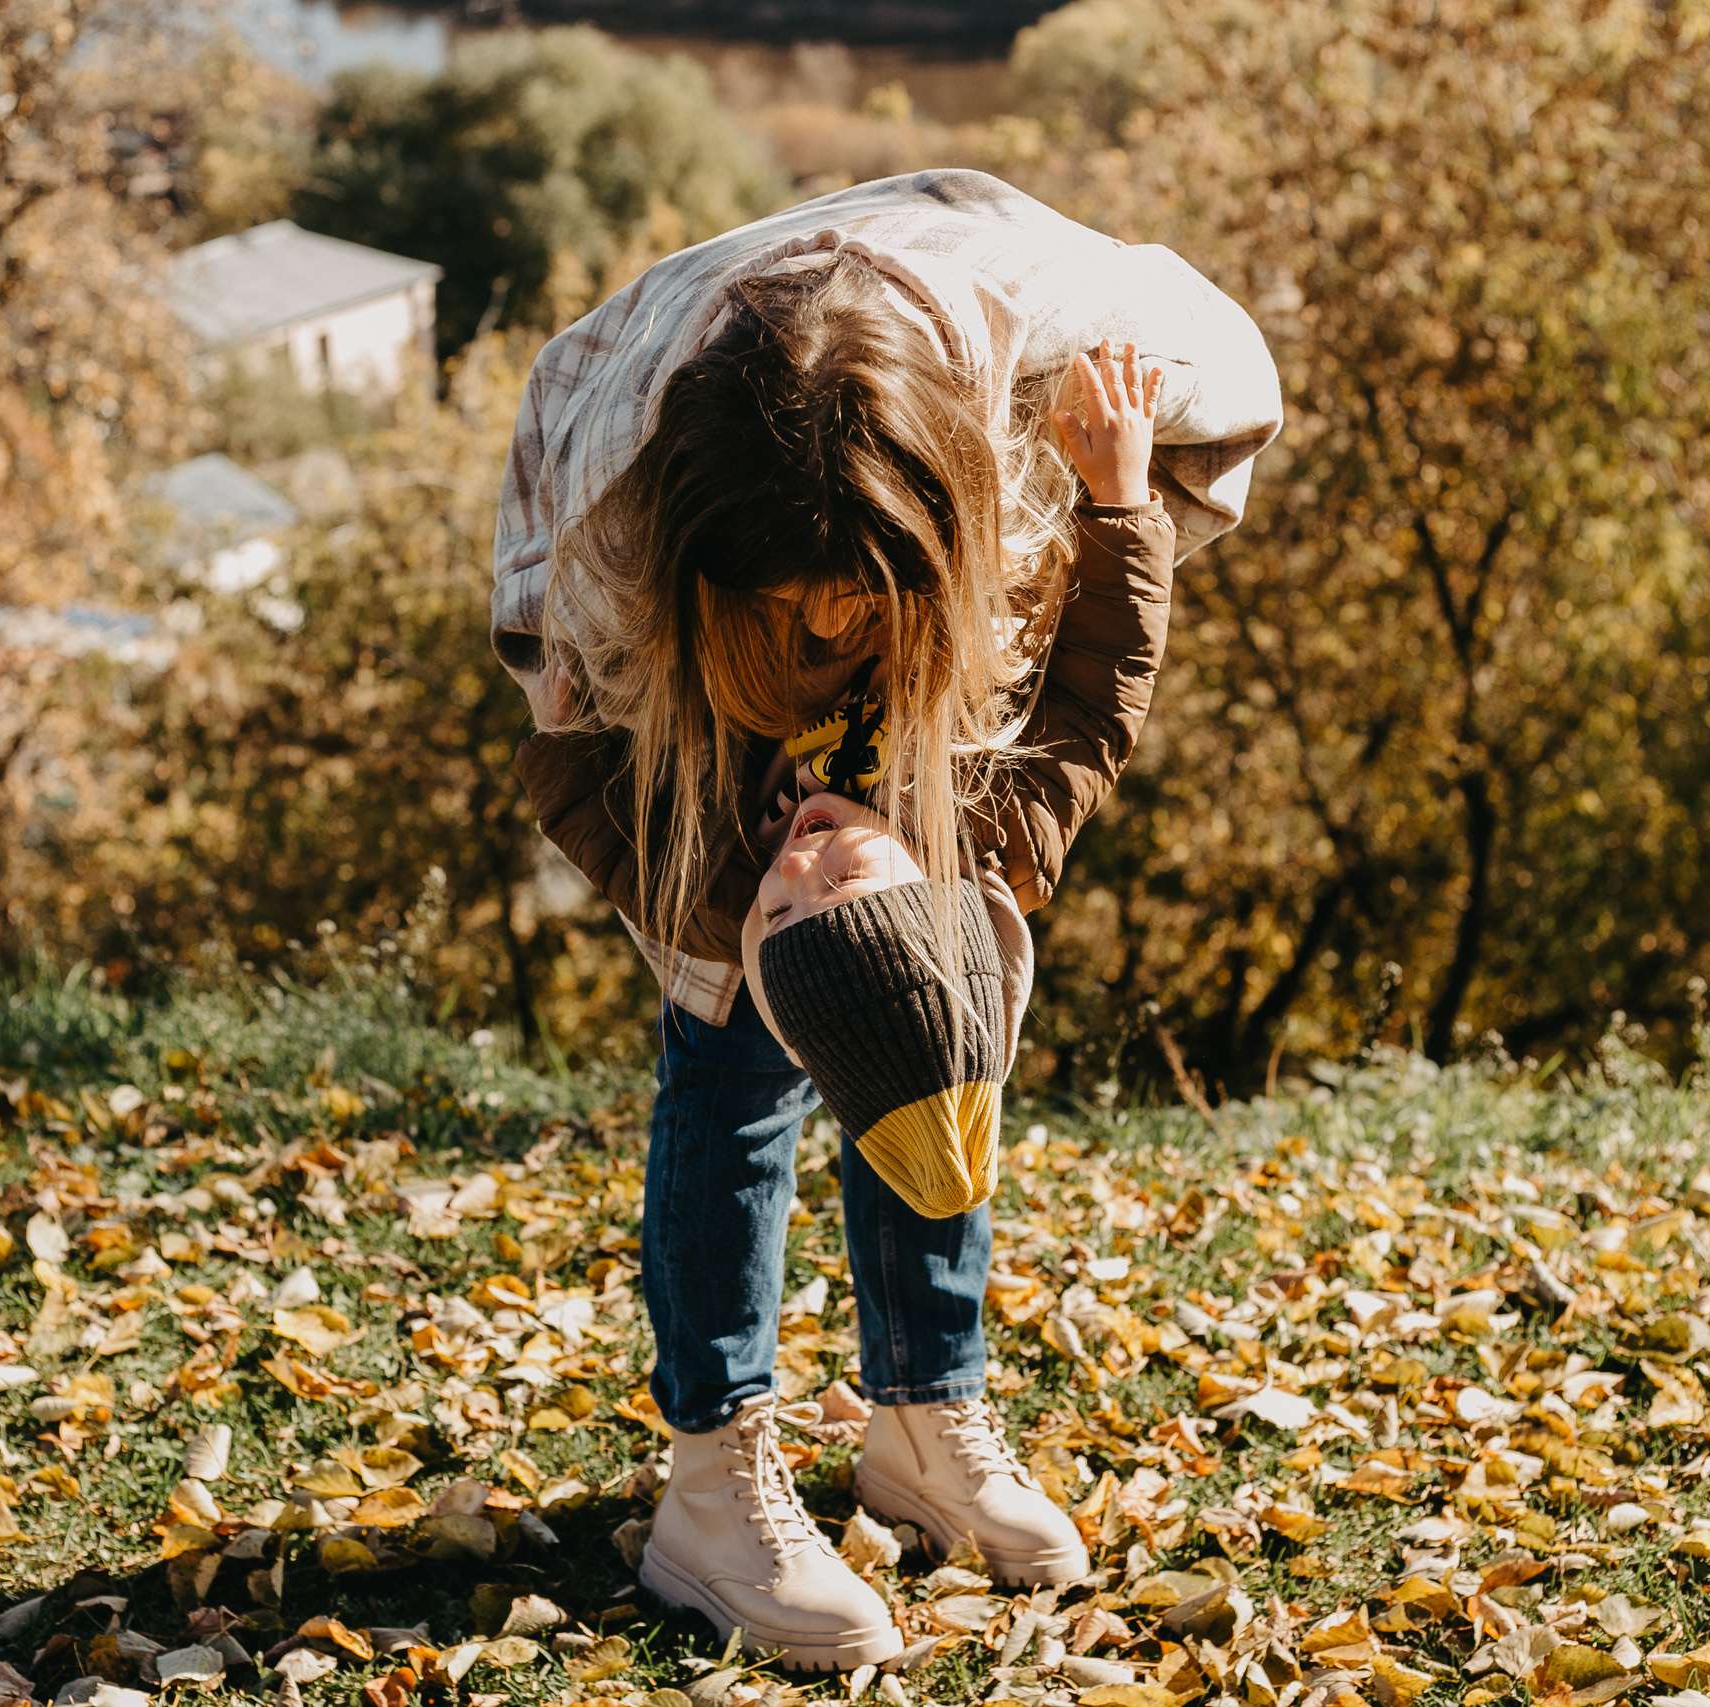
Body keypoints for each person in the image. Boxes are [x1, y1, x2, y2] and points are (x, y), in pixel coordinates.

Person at [491, 169, 1281, 1670]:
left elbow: (1090, 697)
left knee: (929, 1078)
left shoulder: (983, 796)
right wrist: (742, 910)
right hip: (704, 799)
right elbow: (578, 777)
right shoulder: (648, 577)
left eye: (855, 600)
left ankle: (927, 1413)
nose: (830, 630)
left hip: (924, 670)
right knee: (727, 1090)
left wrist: (1118, 504)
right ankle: (710, 1481)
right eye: (797, 605)